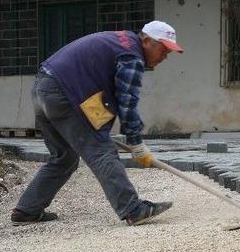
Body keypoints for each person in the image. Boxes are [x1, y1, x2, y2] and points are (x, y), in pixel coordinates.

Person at [11, 21, 183, 225]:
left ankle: (27, 211)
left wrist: (99, 128)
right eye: (163, 49)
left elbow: (101, 94)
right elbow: (126, 102)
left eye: (168, 52)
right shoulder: (131, 57)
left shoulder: (122, 43)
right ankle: (132, 209)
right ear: (146, 41)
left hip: (44, 87)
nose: (164, 56)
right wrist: (136, 143)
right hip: (62, 92)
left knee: (64, 157)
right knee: (102, 151)